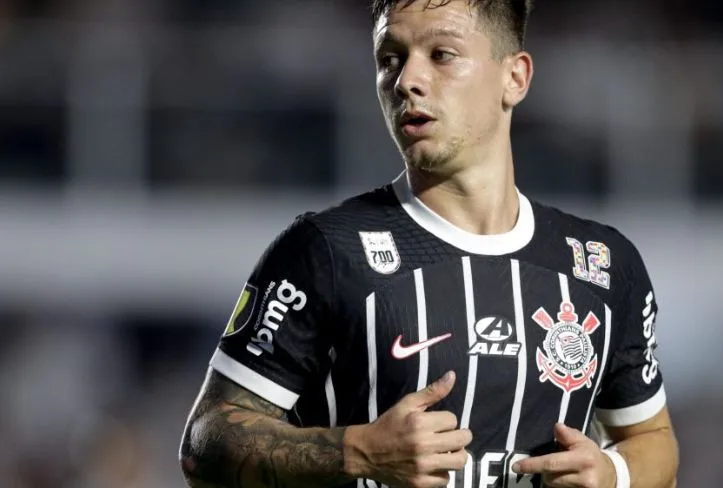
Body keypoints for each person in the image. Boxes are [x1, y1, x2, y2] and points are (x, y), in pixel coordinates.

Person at [179, 1, 679, 487]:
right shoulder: (325, 252)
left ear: (515, 77)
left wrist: (614, 474)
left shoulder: (603, 268)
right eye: (389, 59)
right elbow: (206, 443)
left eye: (442, 54)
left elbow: (653, 441)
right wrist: (358, 452)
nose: (406, 81)